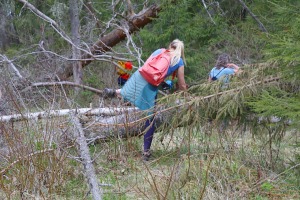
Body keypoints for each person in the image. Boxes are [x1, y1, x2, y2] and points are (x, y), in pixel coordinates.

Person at [104, 39, 188, 161]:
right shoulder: (179, 61)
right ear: (181, 51)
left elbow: (147, 66)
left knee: (125, 92)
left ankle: (115, 92)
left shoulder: (160, 51)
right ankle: (146, 152)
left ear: (170, 46)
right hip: (151, 84)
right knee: (150, 118)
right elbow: (182, 84)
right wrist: (186, 96)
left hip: (140, 75)